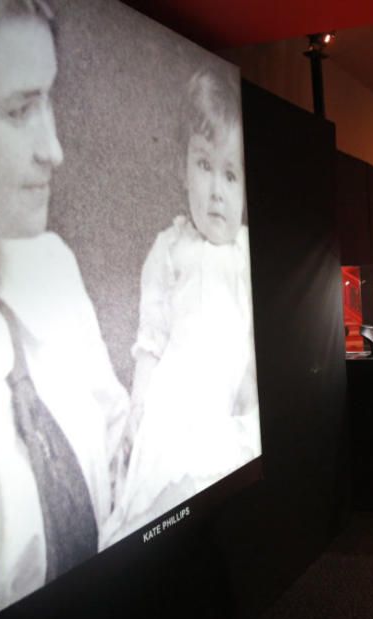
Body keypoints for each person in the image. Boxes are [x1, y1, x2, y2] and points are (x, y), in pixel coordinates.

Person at [0, 0, 129, 611]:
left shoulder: (50, 265)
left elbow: (115, 434)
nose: (54, 150)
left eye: (48, 101)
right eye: (20, 110)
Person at [102, 68, 260, 545]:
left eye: (230, 175)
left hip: (215, 414)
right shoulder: (168, 249)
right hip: (168, 411)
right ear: (182, 169)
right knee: (151, 506)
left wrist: (251, 410)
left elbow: (252, 352)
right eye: (204, 165)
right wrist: (137, 408)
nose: (216, 190)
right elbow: (151, 342)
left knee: (205, 494)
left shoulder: (245, 256)